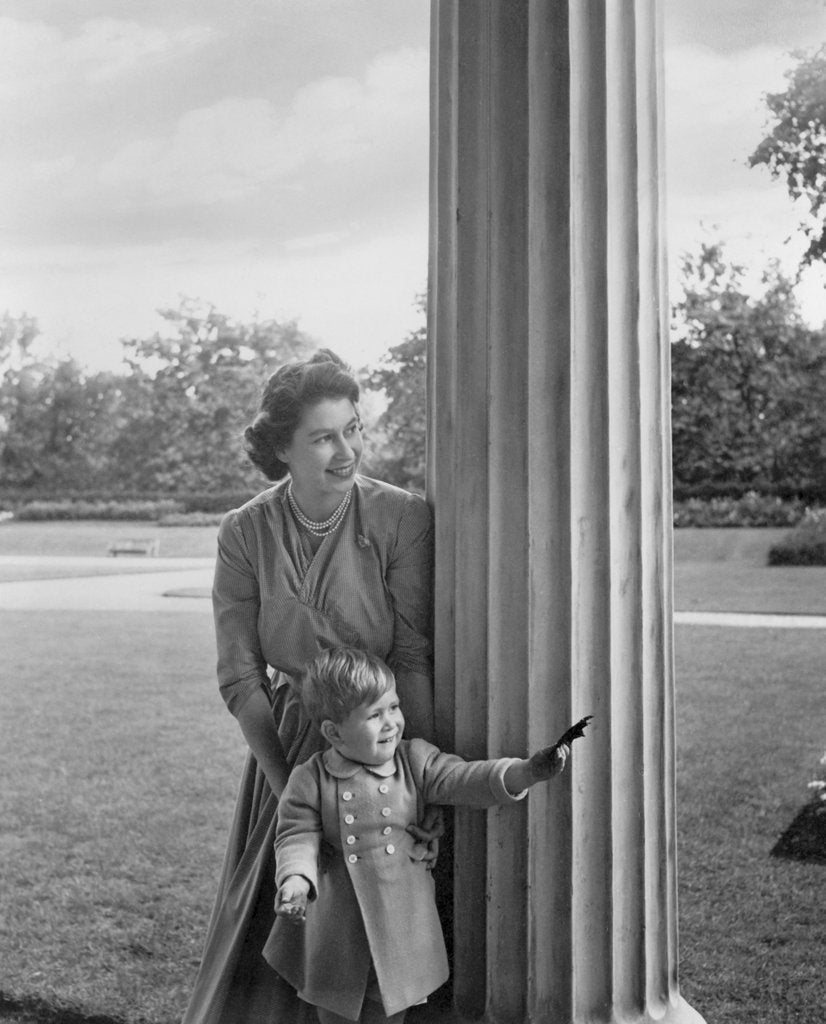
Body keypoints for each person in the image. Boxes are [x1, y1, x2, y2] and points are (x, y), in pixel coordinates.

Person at [182, 350, 435, 1024]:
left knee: (378, 947)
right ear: (283, 450)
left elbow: (411, 657)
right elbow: (239, 675)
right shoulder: (244, 532)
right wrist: (286, 787)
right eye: (324, 437)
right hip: (286, 752)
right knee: (283, 928)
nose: (346, 451)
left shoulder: (401, 519)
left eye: (353, 429)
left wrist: (412, 772)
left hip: (380, 753)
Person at [262, 647, 571, 1024]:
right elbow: (296, 834)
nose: (391, 722)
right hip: (338, 930)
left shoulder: (415, 760)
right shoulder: (311, 777)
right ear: (333, 732)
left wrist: (526, 772)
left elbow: (466, 779)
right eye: (374, 715)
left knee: (392, 1008)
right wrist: (295, 879)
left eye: (393, 707)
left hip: (401, 928)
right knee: (336, 1008)